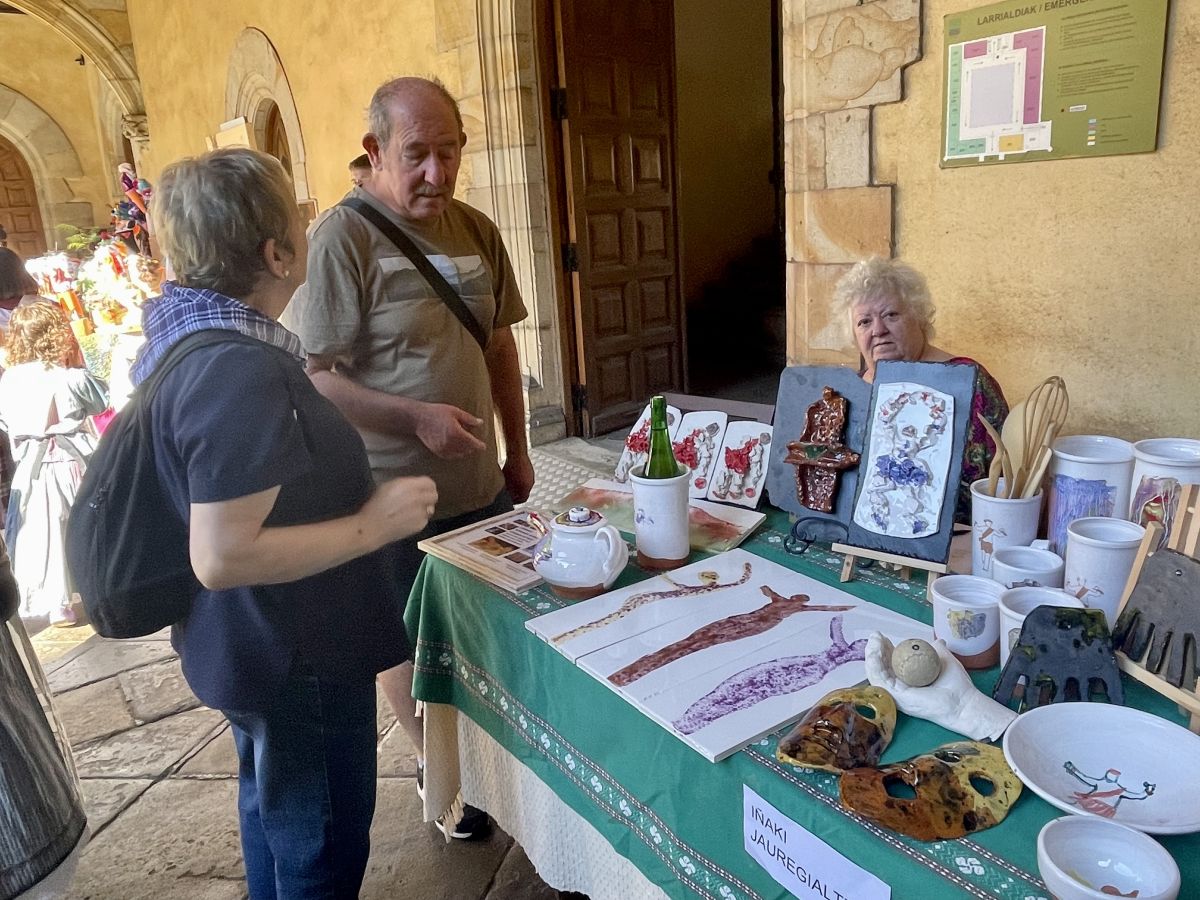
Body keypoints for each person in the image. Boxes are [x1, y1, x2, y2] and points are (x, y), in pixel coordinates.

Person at [137, 147, 438, 897]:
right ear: (276, 253)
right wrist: (374, 522)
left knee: (275, 811)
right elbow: (222, 553)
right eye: (298, 214)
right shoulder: (236, 367)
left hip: (253, 644)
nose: (312, 219)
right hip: (291, 653)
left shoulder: (191, 341)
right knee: (321, 840)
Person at [285, 76, 534, 841]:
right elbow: (317, 376)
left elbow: (498, 341)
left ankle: (491, 754)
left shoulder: (478, 228)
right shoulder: (343, 238)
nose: (436, 172)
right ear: (376, 152)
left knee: (486, 625)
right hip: (384, 494)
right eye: (417, 155)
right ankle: (437, 767)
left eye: (449, 151)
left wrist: (517, 452)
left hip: (476, 483)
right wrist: (414, 418)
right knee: (402, 637)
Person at [832, 257, 1008, 522]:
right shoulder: (849, 394)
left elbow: (1008, 478)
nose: (878, 330)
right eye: (864, 322)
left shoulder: (969, 381)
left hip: (958, 541)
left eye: (891, 315)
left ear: (919, 317)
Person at [0, 304, 107, 625]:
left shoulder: (9, 381)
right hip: (75, 456)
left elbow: (5, 421)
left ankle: (57, 602)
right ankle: (99, 587)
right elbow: (100, 401)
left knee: (44, 534)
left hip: (33, 465)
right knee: (89, 525)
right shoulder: (69, 377)